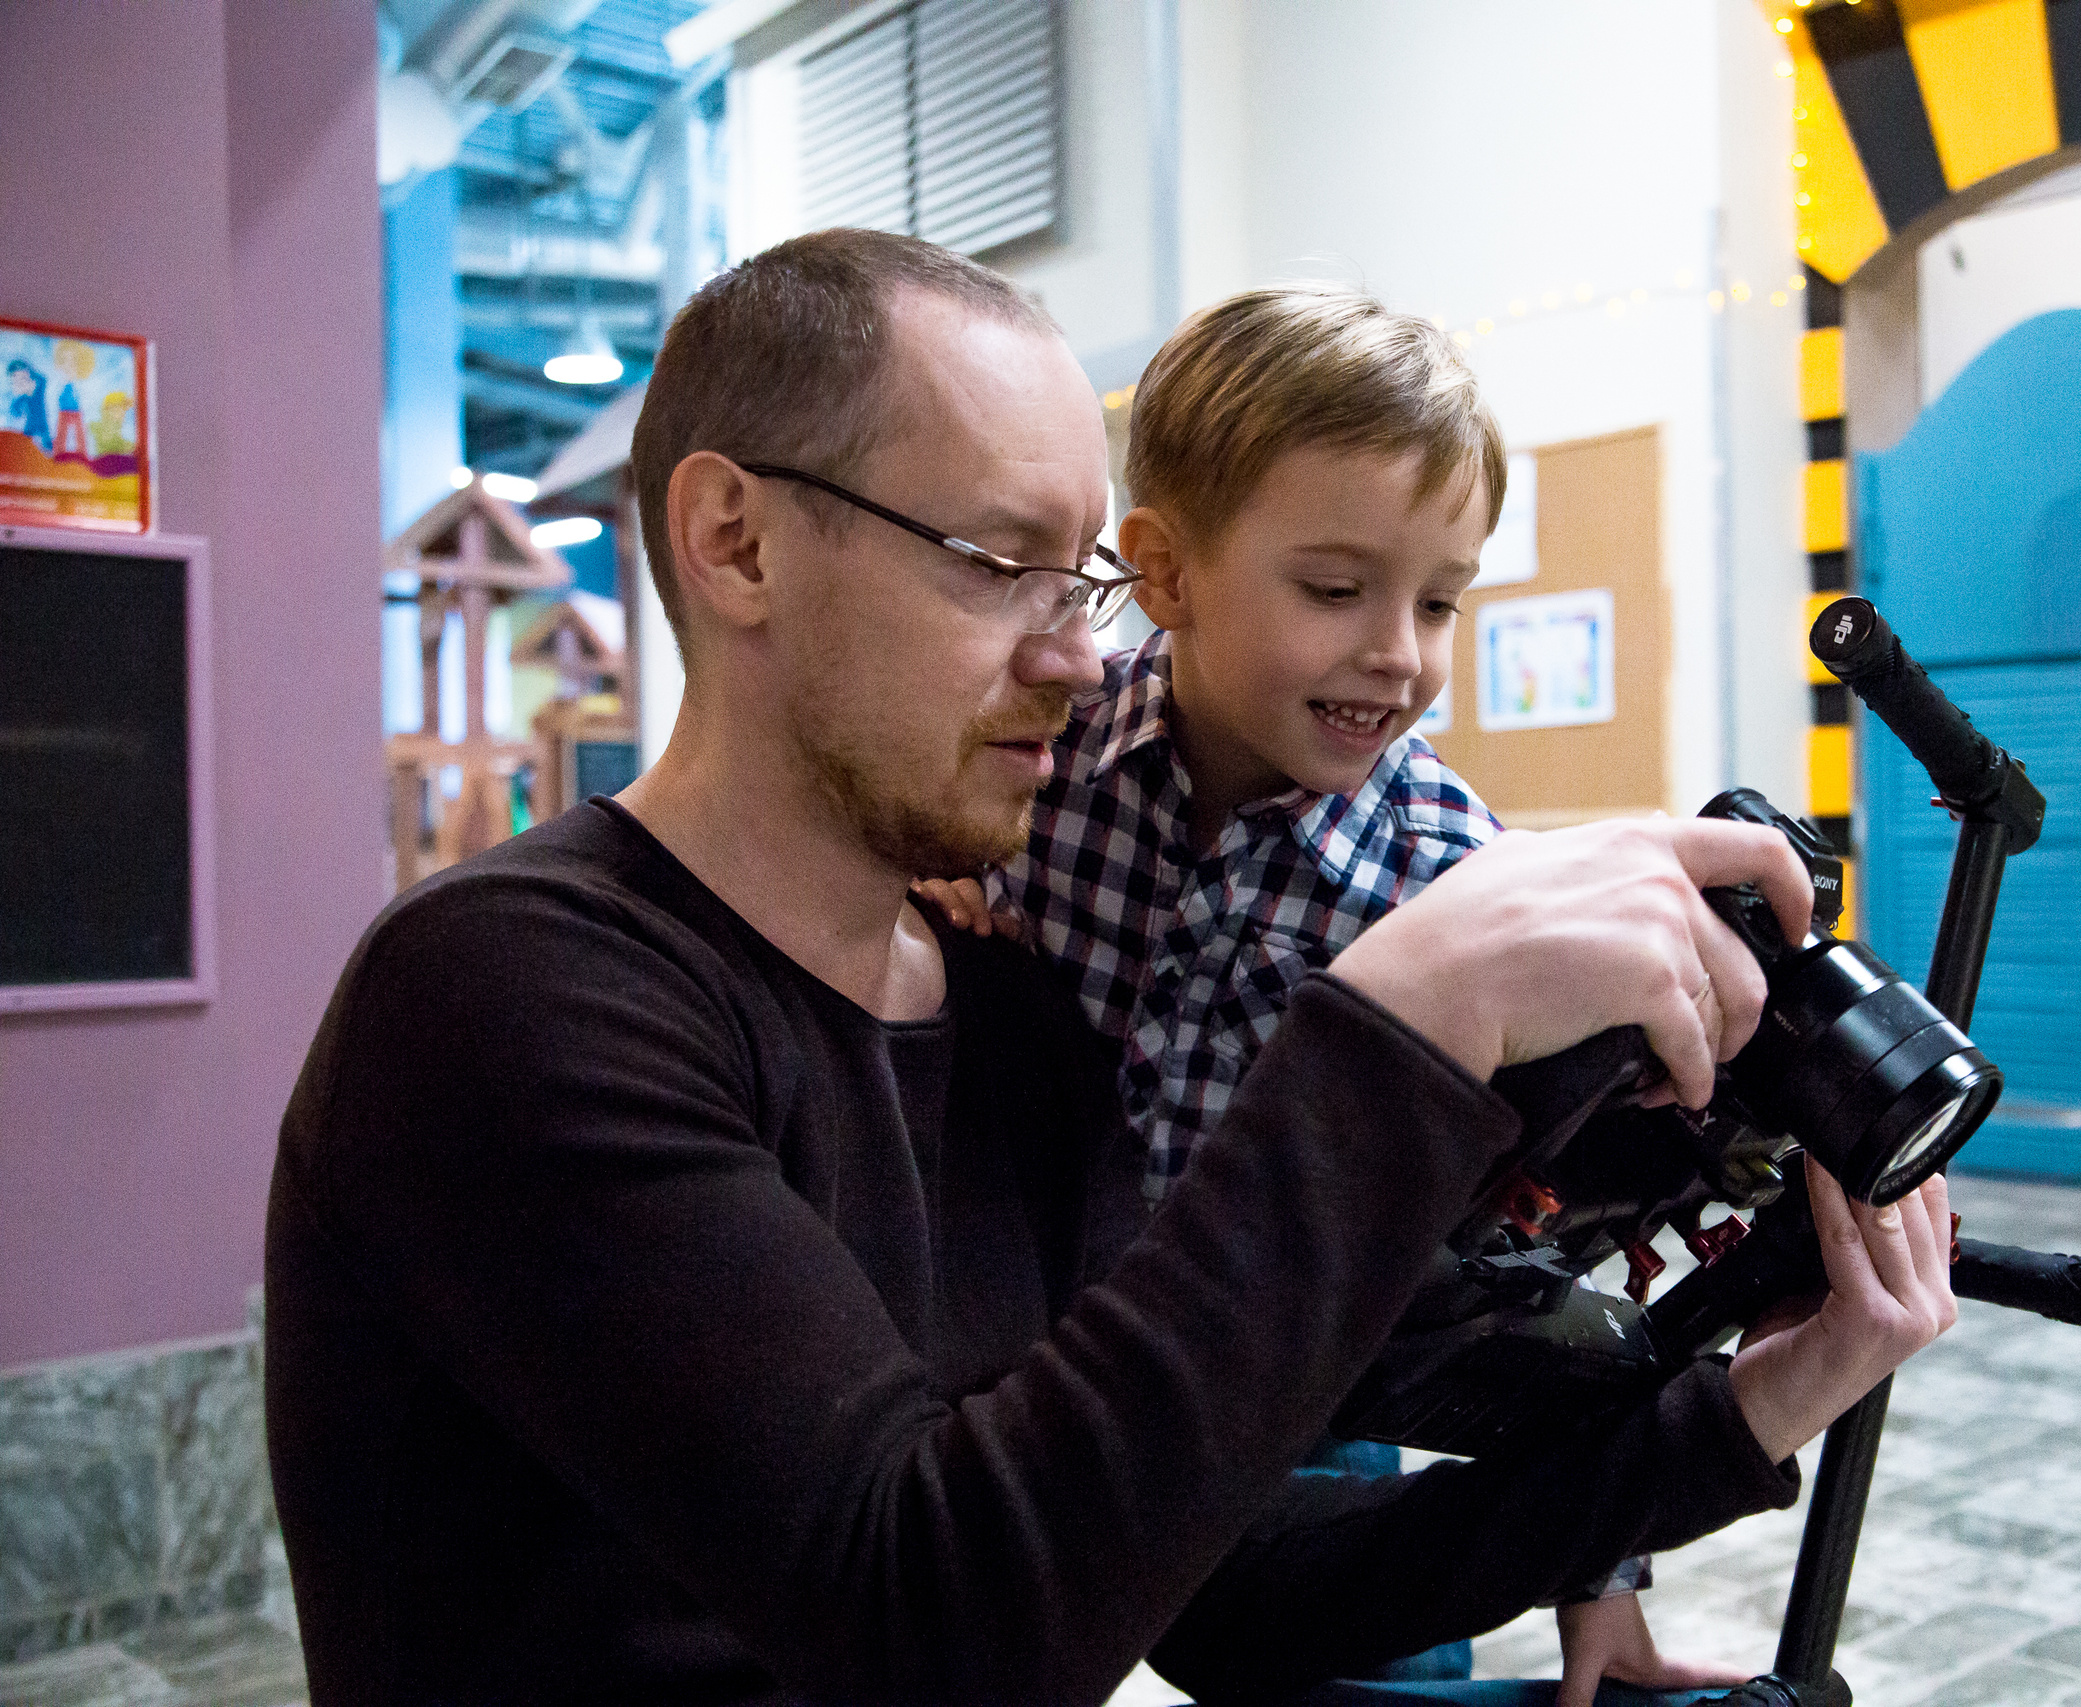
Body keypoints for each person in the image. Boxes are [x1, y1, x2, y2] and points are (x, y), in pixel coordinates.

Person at [265, 228, 1959, 1706]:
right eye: (1003, 566)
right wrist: (1403, 1025)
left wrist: (1745, 1412)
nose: (1083, 661)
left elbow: (1215, 1593)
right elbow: (935, 1630)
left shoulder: (1008, 1021)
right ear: (739, 542)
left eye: (1078, 581)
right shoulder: (511, 991)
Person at [915, 285, 1717, 1700]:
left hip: (1314, 1372)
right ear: (1161, 574)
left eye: (1442, 601)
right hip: (1035, 1353)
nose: (1398, 652)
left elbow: (1538, 1262)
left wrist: (1605, 1603)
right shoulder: (1040, 752)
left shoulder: (1451, 873)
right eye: (1336, 590)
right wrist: (932, 872)